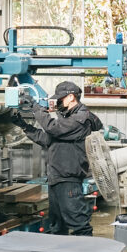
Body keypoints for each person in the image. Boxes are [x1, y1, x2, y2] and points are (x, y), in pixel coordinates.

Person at [22, 82, 103, 236]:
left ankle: (88, 250)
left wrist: (35, 107)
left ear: (71, 97)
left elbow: (52, 128)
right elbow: (46, 139)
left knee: (79, 224)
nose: (58, 102)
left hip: (68, 180)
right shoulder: (67, 120)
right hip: (56, 178)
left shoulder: (81, 118)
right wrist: (24, 125)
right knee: (57, 225)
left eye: (61, 99)